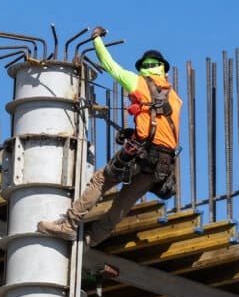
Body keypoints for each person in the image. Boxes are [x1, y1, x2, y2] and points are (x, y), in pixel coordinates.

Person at [37, 26, 183, 246]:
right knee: (125, 200)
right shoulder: (175, 98)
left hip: (141, 152)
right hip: (163, 163)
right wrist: (134, 131)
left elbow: (110, 65)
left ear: (144, 68)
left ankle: (69, 225)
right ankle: (94, 238)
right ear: (164, 71)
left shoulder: (138, 83)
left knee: (100, 180)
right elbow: (160, 129)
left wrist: (96, 39)